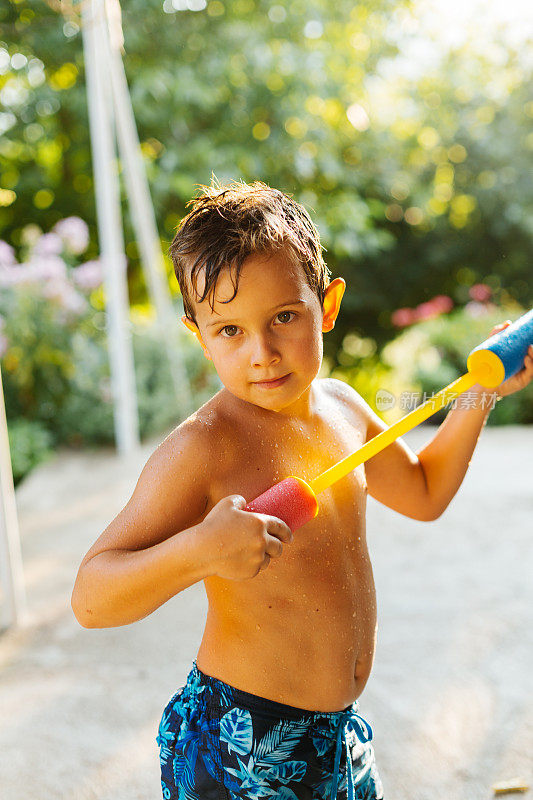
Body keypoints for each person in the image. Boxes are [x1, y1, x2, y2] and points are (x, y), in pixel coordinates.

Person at [71, 179, 533, 800]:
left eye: (284, 317)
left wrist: (479, 393)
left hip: (337, 740)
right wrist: (199, 552)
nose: (261, 353)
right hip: (243, 745)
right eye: (229, 331)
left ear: (329, 304)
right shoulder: (204, 448)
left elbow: (423, 492)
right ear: (198, 334)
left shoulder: (343, 409)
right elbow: (91, 597)